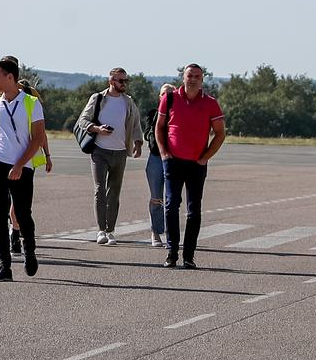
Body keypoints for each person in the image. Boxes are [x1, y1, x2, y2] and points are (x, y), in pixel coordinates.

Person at [0, 57, 47, 282]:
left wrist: (19, 164)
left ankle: (29, 251)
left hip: (23, 165)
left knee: (22, 213)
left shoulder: (31, 103)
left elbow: (38, 137)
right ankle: (4, 266)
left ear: (10, 77)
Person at [156, 64, 226, 270]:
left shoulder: (211, 103)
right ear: (183, 77)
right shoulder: (169, 99)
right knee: (171, 205)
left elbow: (220, 133)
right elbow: (159, 128)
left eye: (197, 76)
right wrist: (164, 153)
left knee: (193, 211)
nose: (193, 79)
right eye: (190, 75)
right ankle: (171, 252)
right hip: (173, 161)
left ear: (202, 79)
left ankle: (189, 255)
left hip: (196, 164)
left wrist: (206, 157)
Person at [74, 68, 144, 244]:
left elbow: (135, 123)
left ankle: (111, 230)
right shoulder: (98, 98)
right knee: (100, 190)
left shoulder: (128, 102)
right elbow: (83, 120)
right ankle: (100, 231)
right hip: (99, 150)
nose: (124, 84)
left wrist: (138, 143)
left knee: (114, 192)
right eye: (121, 81)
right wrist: (97, 129)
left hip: (120, 152)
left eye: (126, 81)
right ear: (111, 81)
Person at [140, 83, 173, 248]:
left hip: (174, 158)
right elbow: (147, 134)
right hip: (156, 158)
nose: (166, 97)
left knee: (171, 199)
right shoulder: (153, 114)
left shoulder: (178, 114)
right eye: (163, 94)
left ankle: (170, 233)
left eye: (170, 94)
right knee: (156, 198)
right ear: (159, 97)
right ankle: (155, 231)